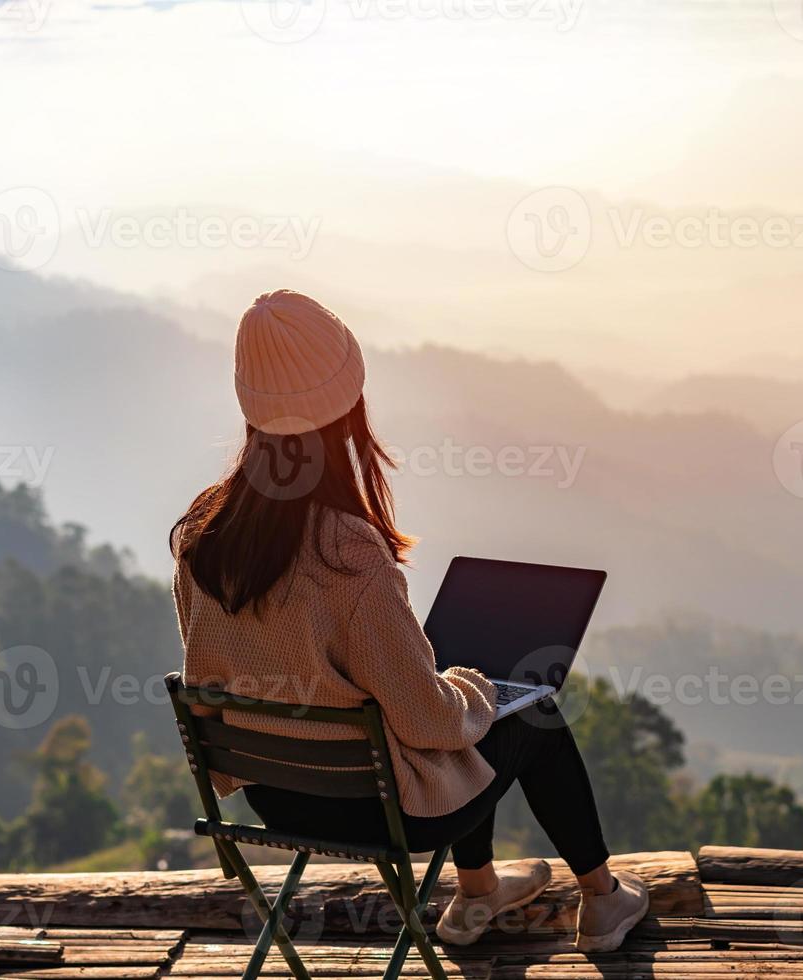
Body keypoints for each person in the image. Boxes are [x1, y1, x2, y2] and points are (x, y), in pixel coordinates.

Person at [169, 289, 649, 953]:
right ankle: (603, 901)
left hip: (275, 799)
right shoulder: (347, 552)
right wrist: (473, 690)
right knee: (532, 716)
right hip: (379, 810)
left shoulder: (202, 536)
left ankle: (478, 892)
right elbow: (428, 722)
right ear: (347, 408)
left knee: (465, 712)